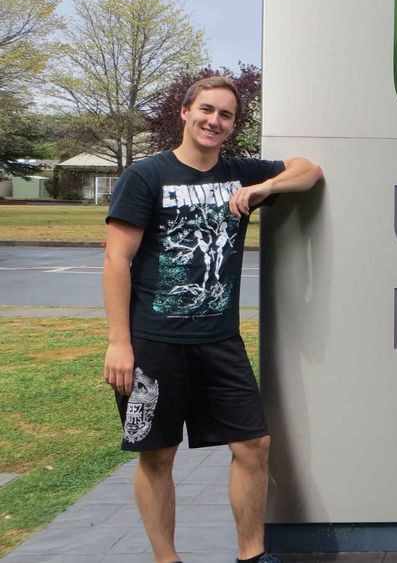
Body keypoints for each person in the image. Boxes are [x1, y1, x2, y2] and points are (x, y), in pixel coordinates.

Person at [102, 76, 323, 563]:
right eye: (206, 110)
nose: (214, 121)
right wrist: (119, 342)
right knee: (157, 455)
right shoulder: (146, 176)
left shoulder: (241, 173)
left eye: (225, 115)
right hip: (154, 344)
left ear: (232, 125)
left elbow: (309, 171)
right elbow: (117, 259)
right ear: (185, 112)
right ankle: (167, 559)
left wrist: (265, 186)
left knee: (254, 446)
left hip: (219, 342)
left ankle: (251, 555)